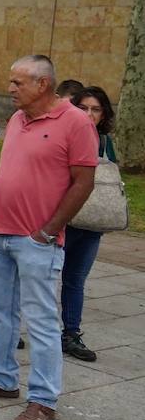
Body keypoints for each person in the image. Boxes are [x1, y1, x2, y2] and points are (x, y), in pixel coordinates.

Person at [0, 55, 98, 420]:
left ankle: (43, 399)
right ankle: (2, 378)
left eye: (18, 83)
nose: (10, 89)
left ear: (42, 85)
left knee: (43, 320)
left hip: (37, 239)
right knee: (1, 310)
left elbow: (83, 183)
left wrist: (49, 230)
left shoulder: (76, 123)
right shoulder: (17, 119)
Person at [60, 86, 117, 363]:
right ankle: (15, 325)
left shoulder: (105, 142)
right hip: (64, 219)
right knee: (40, 278)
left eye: (96, 109)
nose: (89, 114)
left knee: (75, 279)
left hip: (91, 222)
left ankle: (71, 333)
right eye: (83, 108)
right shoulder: (66, 134)